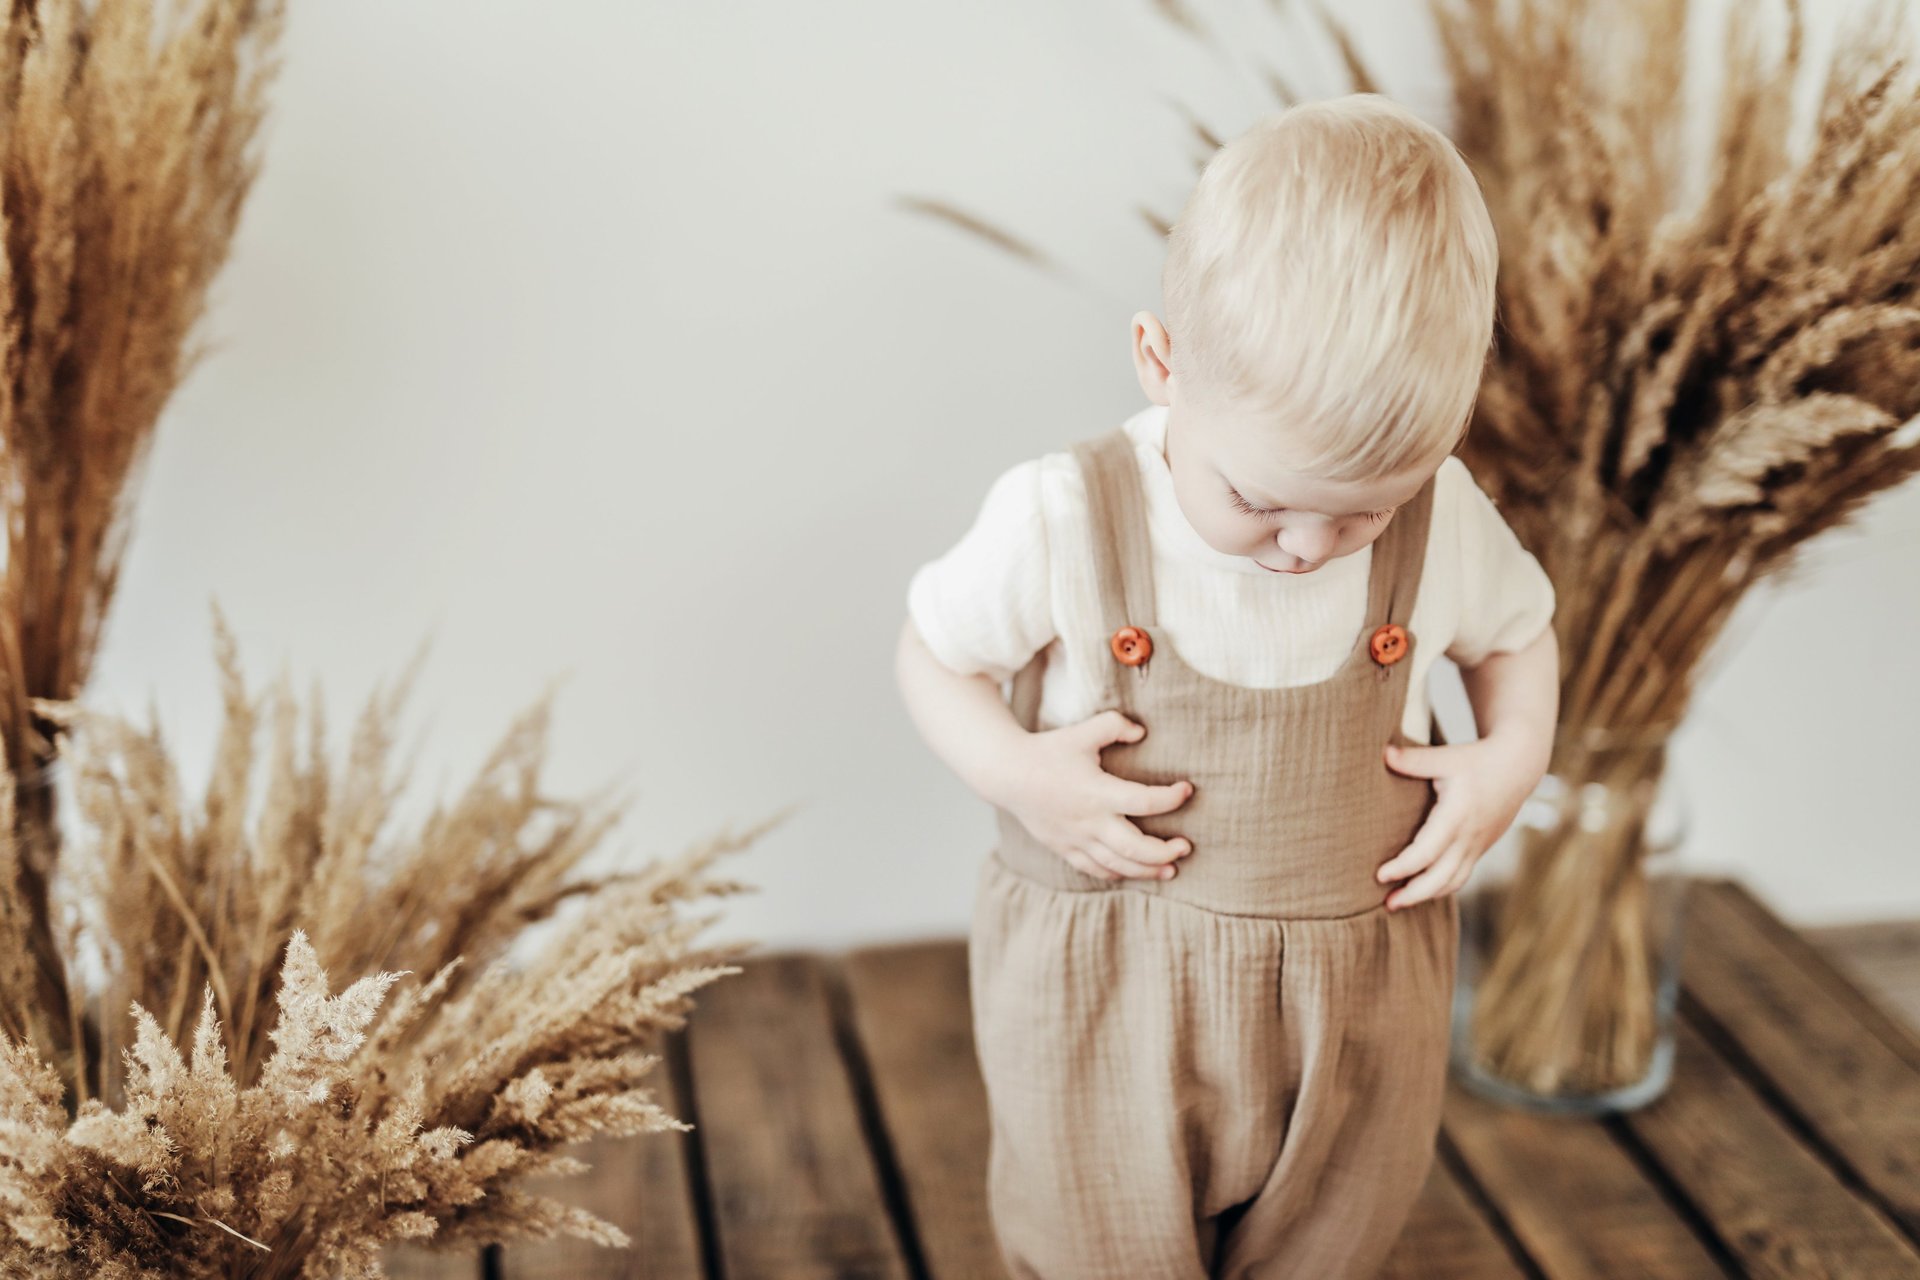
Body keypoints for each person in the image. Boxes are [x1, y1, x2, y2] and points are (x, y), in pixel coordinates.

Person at [893, 93, 1559, 1280]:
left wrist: (1508, 760)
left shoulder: (1444, 518)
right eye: (1260, 500)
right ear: (1162, 364)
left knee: (1332, 1245)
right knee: (1097, 1249)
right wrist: (1019, 772)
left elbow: (1520, 635)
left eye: (1366, 510)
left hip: (1356, 1011)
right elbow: (934, 654)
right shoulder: (1067, 516)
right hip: (1108, 996)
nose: (1307, 546)